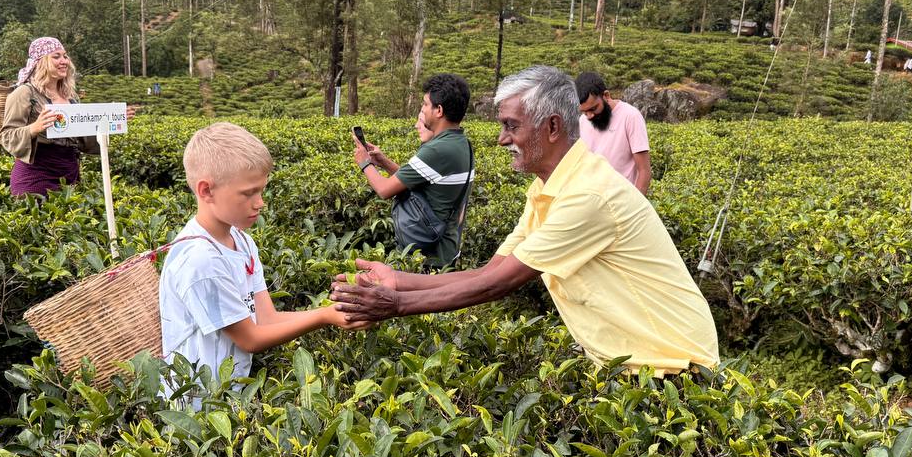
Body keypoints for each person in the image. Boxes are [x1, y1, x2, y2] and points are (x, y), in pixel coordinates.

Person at [331, 66, 719, 376]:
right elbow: (492, 270)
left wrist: (393, 303)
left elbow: (497, 285)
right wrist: (398, 280)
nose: (502, 139)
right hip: (633, 364)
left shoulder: (588, 195)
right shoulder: (547, 189)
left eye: (511, 126)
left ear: (552, 127)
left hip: (675, 366)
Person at [159, 122, 364, 387]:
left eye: (261, 190)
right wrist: (323, 316)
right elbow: (251, 338)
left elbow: (267, 319)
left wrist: (334, 311)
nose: (260, 202)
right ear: (206, 191)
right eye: (248, 193)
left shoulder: (242, 242)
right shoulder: (199, 259)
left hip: (231, 395)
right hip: (196, 407)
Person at [353, 73, 474, 268]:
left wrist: (364, 163)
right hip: (447, 247)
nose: (423, 110)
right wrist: (383, 161)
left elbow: (384, 189)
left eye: (425, 104)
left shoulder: (437, 149)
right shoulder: (461, 143)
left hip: (428, 256)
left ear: (439, 110)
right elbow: (419, 182)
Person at [0, 37, 100, 197]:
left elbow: (82, 138)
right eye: (56, 56)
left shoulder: (71, 97)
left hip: (68, 174)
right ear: (41, 62)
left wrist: (111, 121)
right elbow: (6, 136)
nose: (64, 61)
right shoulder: (24, 93)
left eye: (65, 56)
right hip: (35, 175)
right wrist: (34, 128)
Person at [575, 71, 651, 194]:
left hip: (624, 200)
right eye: (584, 112)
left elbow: (644, 171)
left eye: (593, 108)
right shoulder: (583, 121)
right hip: (594, 200)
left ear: (606, 95)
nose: (589, 116)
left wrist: (635, 206)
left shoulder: (630, 116)